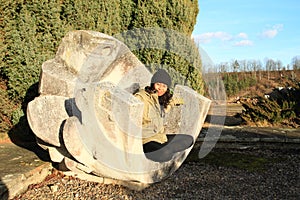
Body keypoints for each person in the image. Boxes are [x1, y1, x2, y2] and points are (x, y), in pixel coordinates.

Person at [134, 69, 194, 162]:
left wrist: (178, 101)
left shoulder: (159, 100)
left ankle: (164, 148)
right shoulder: (141, 97)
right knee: (165, 154)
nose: (160, 88)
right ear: (152, 84)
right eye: (158, 84)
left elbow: (165, 108)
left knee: (189, 140)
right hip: (146, 141)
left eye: (164, 86)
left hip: (160, 137)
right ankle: (164, 150)